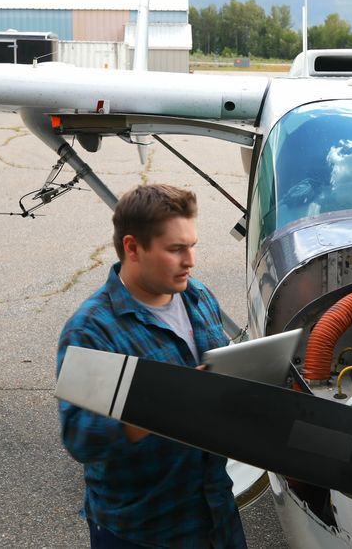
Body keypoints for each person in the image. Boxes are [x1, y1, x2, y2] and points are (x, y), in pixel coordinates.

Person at [56, 184, 247, 548]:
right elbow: (81, 438)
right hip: (144, 531)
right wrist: (165, 405)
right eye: (176, 249)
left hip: (216, 512)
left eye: (192, 246)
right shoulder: (92, 330)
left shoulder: (198, 296)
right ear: (133, 248)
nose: (189, 260)